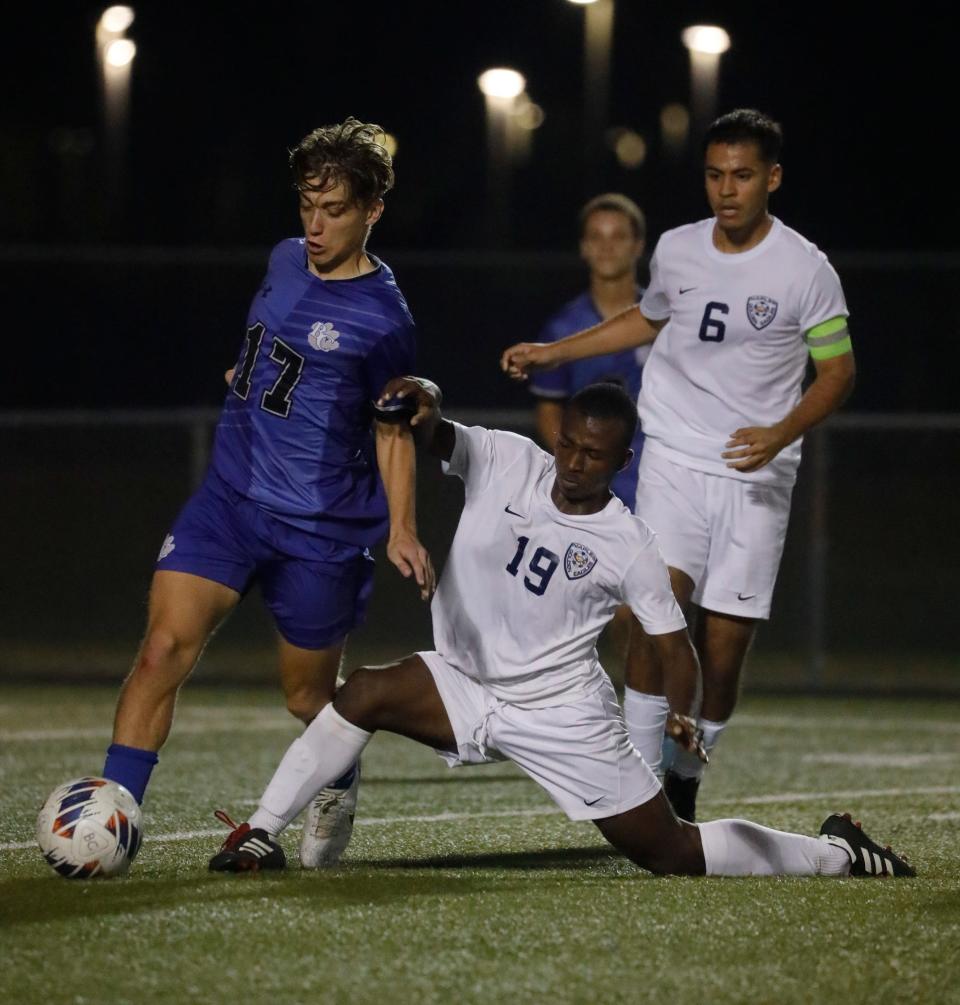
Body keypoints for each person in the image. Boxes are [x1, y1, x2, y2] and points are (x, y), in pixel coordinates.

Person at [206, 380, 911, 880]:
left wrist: (681, 712)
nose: (573, 462)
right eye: (569, 444)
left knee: (668, 852)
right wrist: (417, 392)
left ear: (621, 463)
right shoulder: (508, 459)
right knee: (362, 691)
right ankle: (260, 831)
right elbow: (430, 424)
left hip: (560, 711)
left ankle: (835, 852)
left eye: (593, 455)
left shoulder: (628, 542)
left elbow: (672, 645)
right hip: (465, 681)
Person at [501, 109, 857, 822]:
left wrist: (781, 431)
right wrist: (554, 354)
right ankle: (636, 798)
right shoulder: (677, 249)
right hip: (673, 459)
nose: (727, 189)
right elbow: (647, 318)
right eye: (715, 174)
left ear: (773, 179)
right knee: (651, 612)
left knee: (722, 652)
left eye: (743, 175)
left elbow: (837, 372)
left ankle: (686, 775)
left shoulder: (806, 269)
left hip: (756, 478)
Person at [100, 117, 434, 870]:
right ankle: (112, 818)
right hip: (231, 501)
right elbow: (272, 347)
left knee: (306, 700)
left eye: (335, 209)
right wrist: (249, 379)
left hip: (320, 529)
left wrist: (403, 528)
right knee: (160, 649)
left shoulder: (385, 319)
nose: (314, 226)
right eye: (307, 205)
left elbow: (389, 430)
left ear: (372, 210)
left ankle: (336, 766)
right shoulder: (284, 258)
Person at [530, 193, 649, 507]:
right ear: (583, 247)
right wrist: (584, 465)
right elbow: (548, 411)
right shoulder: (563, 329)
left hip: (663, 481)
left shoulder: (665, 319)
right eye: (596, 236)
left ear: (638, 245)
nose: (607, 246)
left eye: (619, 236)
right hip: (599, 493)